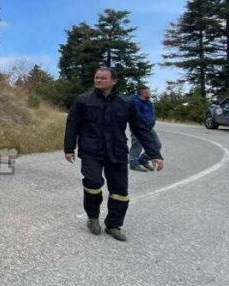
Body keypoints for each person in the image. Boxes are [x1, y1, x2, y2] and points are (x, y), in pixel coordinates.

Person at [64, 67, 164, 241]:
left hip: (116, 151)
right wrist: (69, 148)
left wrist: (155, 153)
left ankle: (113, 225)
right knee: (93, 183)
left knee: (120, 190)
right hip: (91, 151)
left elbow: (140, 129)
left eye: (103, 78)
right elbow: (73, 125)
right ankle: (93, 217)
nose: (98, 80)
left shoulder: (126, 103)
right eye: (96, 77)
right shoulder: (83, 100)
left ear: (113, 81)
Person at [129, 85, 160, 172]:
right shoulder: (135, 102)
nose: (150, 93)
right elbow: (136, 115)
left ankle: (143, 159)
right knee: (137, 144)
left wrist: (153, 120)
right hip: (138, 127)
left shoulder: (149, 102)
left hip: (149, 127)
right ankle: (133, 164)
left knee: (157, 145)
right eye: (149, 92)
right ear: (144, 93)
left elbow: (151, 114)